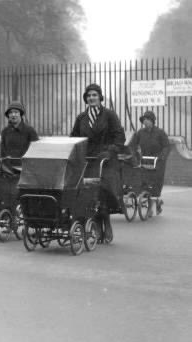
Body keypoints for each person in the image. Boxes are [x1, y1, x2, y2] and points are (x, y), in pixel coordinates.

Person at [71, 83, 125, 242]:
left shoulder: (109, 115)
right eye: (88, 96)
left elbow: (119, 136)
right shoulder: (81, 118)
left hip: (105, 160)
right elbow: (74, 137)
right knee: (88, 193)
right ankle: (94, 224)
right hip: (87, 160)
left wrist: (111, 150)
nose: (91, 98)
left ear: (100, 97)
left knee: (103, 192)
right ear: (85, 99)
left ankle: (106, 223)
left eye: (94, 95)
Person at [127, 110, 170, 211]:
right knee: (144, 182)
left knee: (156, 183)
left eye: (147, 119)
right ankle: (151, 203)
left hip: (157, 161)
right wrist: (135, 156)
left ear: (152, 121)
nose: (145, 122)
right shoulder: (140, 133)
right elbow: (132, 146)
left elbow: (166, 146)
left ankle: (156, 202)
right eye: (144, 120)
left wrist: (161, 157)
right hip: (145, 160)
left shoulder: (160, 133)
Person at [0, 101, 38, 173]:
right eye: (11, 112)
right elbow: (2, 151)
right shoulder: (5, 131)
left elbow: (36, 151)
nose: (13, 115)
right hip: (8, 169)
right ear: (8, 115)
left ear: (21, 114)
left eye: (16, 112)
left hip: (26, 168)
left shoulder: (30, 131)